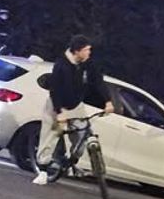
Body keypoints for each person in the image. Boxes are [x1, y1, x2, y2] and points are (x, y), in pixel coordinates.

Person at [33, 35, 114, 186]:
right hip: (58, 105)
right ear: (77, 51)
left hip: (76, 105)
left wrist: (108, 101)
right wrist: (60, 112)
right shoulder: (61, 65)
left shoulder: (86, 63)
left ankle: (72, 163)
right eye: (86, 50)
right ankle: (43, 171)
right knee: (50, 136)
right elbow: (55, 90)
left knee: (82, 135)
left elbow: (97, 81)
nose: (89, 53)